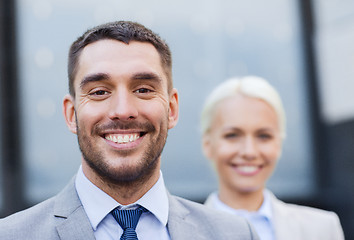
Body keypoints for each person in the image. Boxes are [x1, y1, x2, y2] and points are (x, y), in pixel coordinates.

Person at [0, 21, 259, 240]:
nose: (123, 110)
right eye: (100, 92)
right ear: (71, 114)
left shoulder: (235, 234)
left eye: (143, 90)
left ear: (171, 108)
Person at [201, 76, 345, 240]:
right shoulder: (177, 233)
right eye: (232, 135)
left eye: (264, 136)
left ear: (279, 143)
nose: (250, 152)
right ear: (207, 144)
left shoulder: (321, 229)